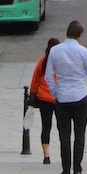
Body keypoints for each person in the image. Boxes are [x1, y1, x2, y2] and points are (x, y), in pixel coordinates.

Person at [48, 20, 87, 174]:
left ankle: (65, 169)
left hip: (62, 96)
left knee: (64, 135)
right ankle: (77, 169)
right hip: (80, 95)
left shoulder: (55, 51)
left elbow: (48, 76)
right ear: (80, 35)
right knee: (80, 133)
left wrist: (55, 93)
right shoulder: (83, 51)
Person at [28, 36, 60, 166]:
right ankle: (64, 151)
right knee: (62, 126)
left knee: (46, 127)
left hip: (43, 98)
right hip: (58, 98)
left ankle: (46, 155)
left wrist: (32, 93)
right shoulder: (61, 62)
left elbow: (35, 79)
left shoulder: (43, 62)